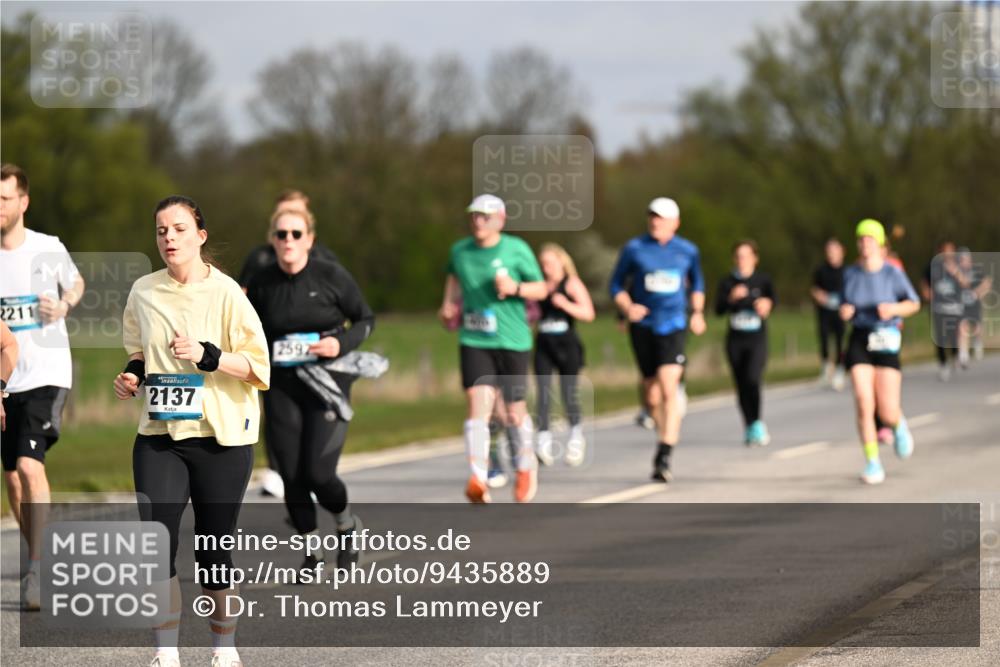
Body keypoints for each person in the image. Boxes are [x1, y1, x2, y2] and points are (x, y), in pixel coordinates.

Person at [115, 195, 270, 667]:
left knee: (213, 551)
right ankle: (166, 654)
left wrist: (211, 356)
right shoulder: (143, 290)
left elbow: (259, 367)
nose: (169, 238)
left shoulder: (226, 293)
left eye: (179, 229)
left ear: (200, 236)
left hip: (222, 439)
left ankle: (224, 650)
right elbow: (139, 351)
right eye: (161, 230)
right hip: (161, 437)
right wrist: (132, 376)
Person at [246, 207, 373, 573]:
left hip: (326, 384)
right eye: (282, 234)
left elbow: (366, 318)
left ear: (310, 239)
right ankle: (312, 552)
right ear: (272, 239)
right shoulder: (262, 282)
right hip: (282, 385)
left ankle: (347, 525)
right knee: (291, 475)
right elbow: (245, 330)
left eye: (296, 234)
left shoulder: (330, 275)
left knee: (319, 474)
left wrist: (340, 344)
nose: (289, 241)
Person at [1, 163, 86, 610]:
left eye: (5, 199)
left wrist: (65, 304)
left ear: (23, 202)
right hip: (5, 379)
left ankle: (37, 567)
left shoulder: (46, 247)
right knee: (12, 479)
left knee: (30, 466)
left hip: (47, 373)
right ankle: (41, 556)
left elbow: (76, 283)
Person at [438, 194, 547, 503]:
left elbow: (541, 288)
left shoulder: (516, 249)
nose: (478, 221)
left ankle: (526, 468)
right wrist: (447, 306)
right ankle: (478, 477)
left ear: (501, 218)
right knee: (477, 403)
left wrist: (516, 288)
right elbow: (453, 281)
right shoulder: (460, 251)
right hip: (474, 338)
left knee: (513, 412)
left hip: (512, 339)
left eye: (485, 216)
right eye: (474, 215)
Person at [609, 197, 706, 483]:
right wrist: (627, 307)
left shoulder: (687, 251)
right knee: (651, 394)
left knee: (668, 388)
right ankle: (662, 429)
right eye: (652, 216)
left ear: (675, 223)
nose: (655, 222)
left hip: (673, 324)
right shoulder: (634, 248)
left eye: (661, 218)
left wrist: (697, 312)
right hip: (643, 325)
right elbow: (616, 284)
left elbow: (698, 283)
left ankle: (664, 454)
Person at [840, 219, 920, 485]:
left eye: (870, 239)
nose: (864, 244)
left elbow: (914, 303)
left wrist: (893, 310)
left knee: (886, 410)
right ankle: (872, 462)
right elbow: (844, 304)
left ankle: (898, 425)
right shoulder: (850, 274)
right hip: (860, 338)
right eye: (861, 239)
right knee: (864, 402)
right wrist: (845, 311)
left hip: (886, 337)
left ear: (880, 243)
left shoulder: (892, 273)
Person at [533, 243, 595, 467]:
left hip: (567, 343)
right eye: (543, 264)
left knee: (569, 393)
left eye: (550, 262)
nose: (546, 267)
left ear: (561, 262)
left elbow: (588, 313)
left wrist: (566, 304)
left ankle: (576, 439)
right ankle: (542, 442)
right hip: (543, 343)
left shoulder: (571, 283)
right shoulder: (539, 286)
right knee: (543, 393)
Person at [714, 240, 776, 446]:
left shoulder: (763, 280)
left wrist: (766, 305)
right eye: (739, 256)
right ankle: (749, 425)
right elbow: (718, 310)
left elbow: (772, 302)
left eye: (746, 256)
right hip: (735, 339)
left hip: (757, 338)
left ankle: (757, 421)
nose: (742, 261)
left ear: (754, 259)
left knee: (752, 378)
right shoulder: (727, 282)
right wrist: (731, 298)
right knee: (740, 384)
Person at [921, 241, 962, 381]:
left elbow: (966, 283)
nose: (947, 253)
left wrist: (955, 272)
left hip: (953, 307)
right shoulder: (933, 266)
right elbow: (924, 281)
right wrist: (926, 292)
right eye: (945, 250)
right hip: (937, 307)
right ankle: (943, 364)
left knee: (952, 335)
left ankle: (955, 355)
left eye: (950, 250)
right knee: (939, 337)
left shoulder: (958, 265)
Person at [811, 238, 846, 391]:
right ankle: (826, 368)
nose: (832, 254)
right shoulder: (820, 270)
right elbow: (814, 288)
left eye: (835, 251)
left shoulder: (847, 272)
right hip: (824, 312)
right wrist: (819, 295)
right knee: (824, 338)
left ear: (841, 252)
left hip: (840, 312)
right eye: (829, 251)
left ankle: (839, 369)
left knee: (839, 341)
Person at [956, 248, 990, 368]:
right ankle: (963, 354)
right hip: (962, 305)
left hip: (975, 304)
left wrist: (978, 292)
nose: (964, 262)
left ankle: (977, 343)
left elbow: (987, 282)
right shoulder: (957, 272)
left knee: (977, 327)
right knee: (962, 328)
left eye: (966, 259)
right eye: (962, 259)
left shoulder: (976, 270)